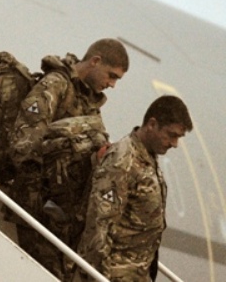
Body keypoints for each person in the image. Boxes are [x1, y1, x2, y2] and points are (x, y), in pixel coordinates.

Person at [8, 38, 130, 280]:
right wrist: (37, 195)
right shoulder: (56, 84)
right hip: (39, 206)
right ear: (95, 61)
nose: (112, 85)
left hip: (63, 213)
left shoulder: (89, 102)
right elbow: (25, 139)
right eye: (111, 76)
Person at [78, 95, 192, 281]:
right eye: (172, 135)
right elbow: (99, 225)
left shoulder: (148, 157)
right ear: (152, 124)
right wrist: (97, 277)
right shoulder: (123, 160)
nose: (175, 144)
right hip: (113, 274)